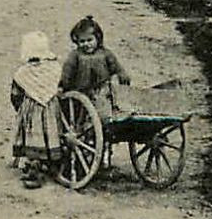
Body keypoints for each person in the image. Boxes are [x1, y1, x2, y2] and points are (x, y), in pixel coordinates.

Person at [10, 32, 63, 189]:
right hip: (52, 110)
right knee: (52, 135)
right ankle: (53, 160)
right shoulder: (54, 69)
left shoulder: (23, 73)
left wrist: (20, 109)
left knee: (33, 137)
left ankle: (35, 166)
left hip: (31, 110)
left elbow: (15, 95)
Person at [58, 15, 130, 120]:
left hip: (102, 91)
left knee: (108, 101)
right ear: (76, 42)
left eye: (89, 40)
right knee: (78, 112)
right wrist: (63, 86)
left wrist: (122, 74)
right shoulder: (75, 55)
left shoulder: (105, 53)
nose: (86, 44)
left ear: (98, 38)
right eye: (82, 41)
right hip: (81, 92)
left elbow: (116, 67)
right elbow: (67, 72)